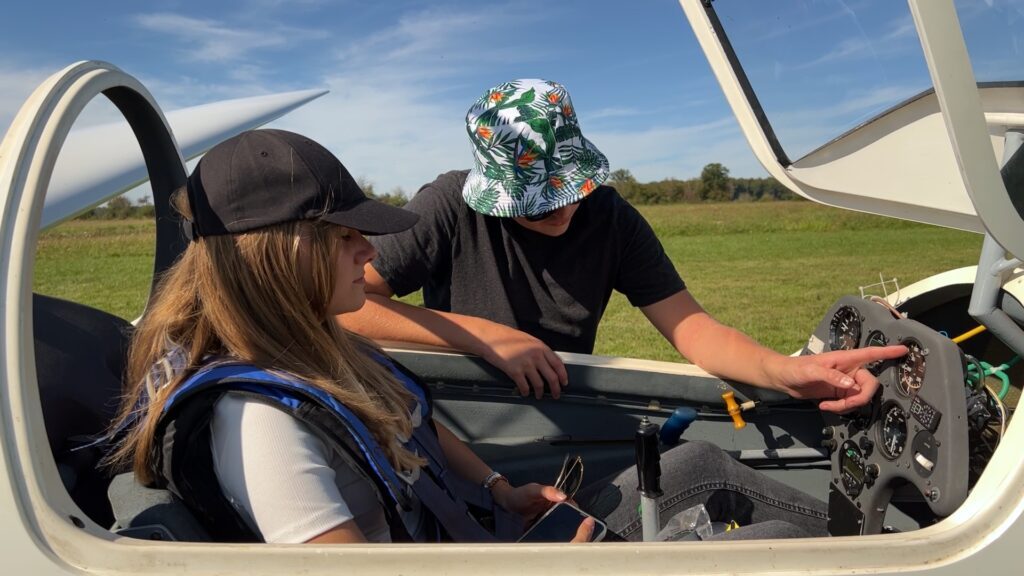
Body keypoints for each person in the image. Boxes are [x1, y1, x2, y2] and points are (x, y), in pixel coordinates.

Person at [103, 128, 899, 544]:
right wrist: (477, 336)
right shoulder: (265, 421)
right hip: (484, 553)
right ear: (285, 256)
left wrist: (499, 492)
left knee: (694, 461)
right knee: (747, 543)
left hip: (481, 527)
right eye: (345, 236)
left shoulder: (314, 346)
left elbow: (407, 420)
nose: (366, 253)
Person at [340, 78, 906, 411]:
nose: (563, 210)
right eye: (537, 202)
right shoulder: (448, 204)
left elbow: (695, 330)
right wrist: (488, 338)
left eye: (572, 190)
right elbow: (342, 307)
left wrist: (783, 371)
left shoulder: (611, 218)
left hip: (566, 410)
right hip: (458, 414)